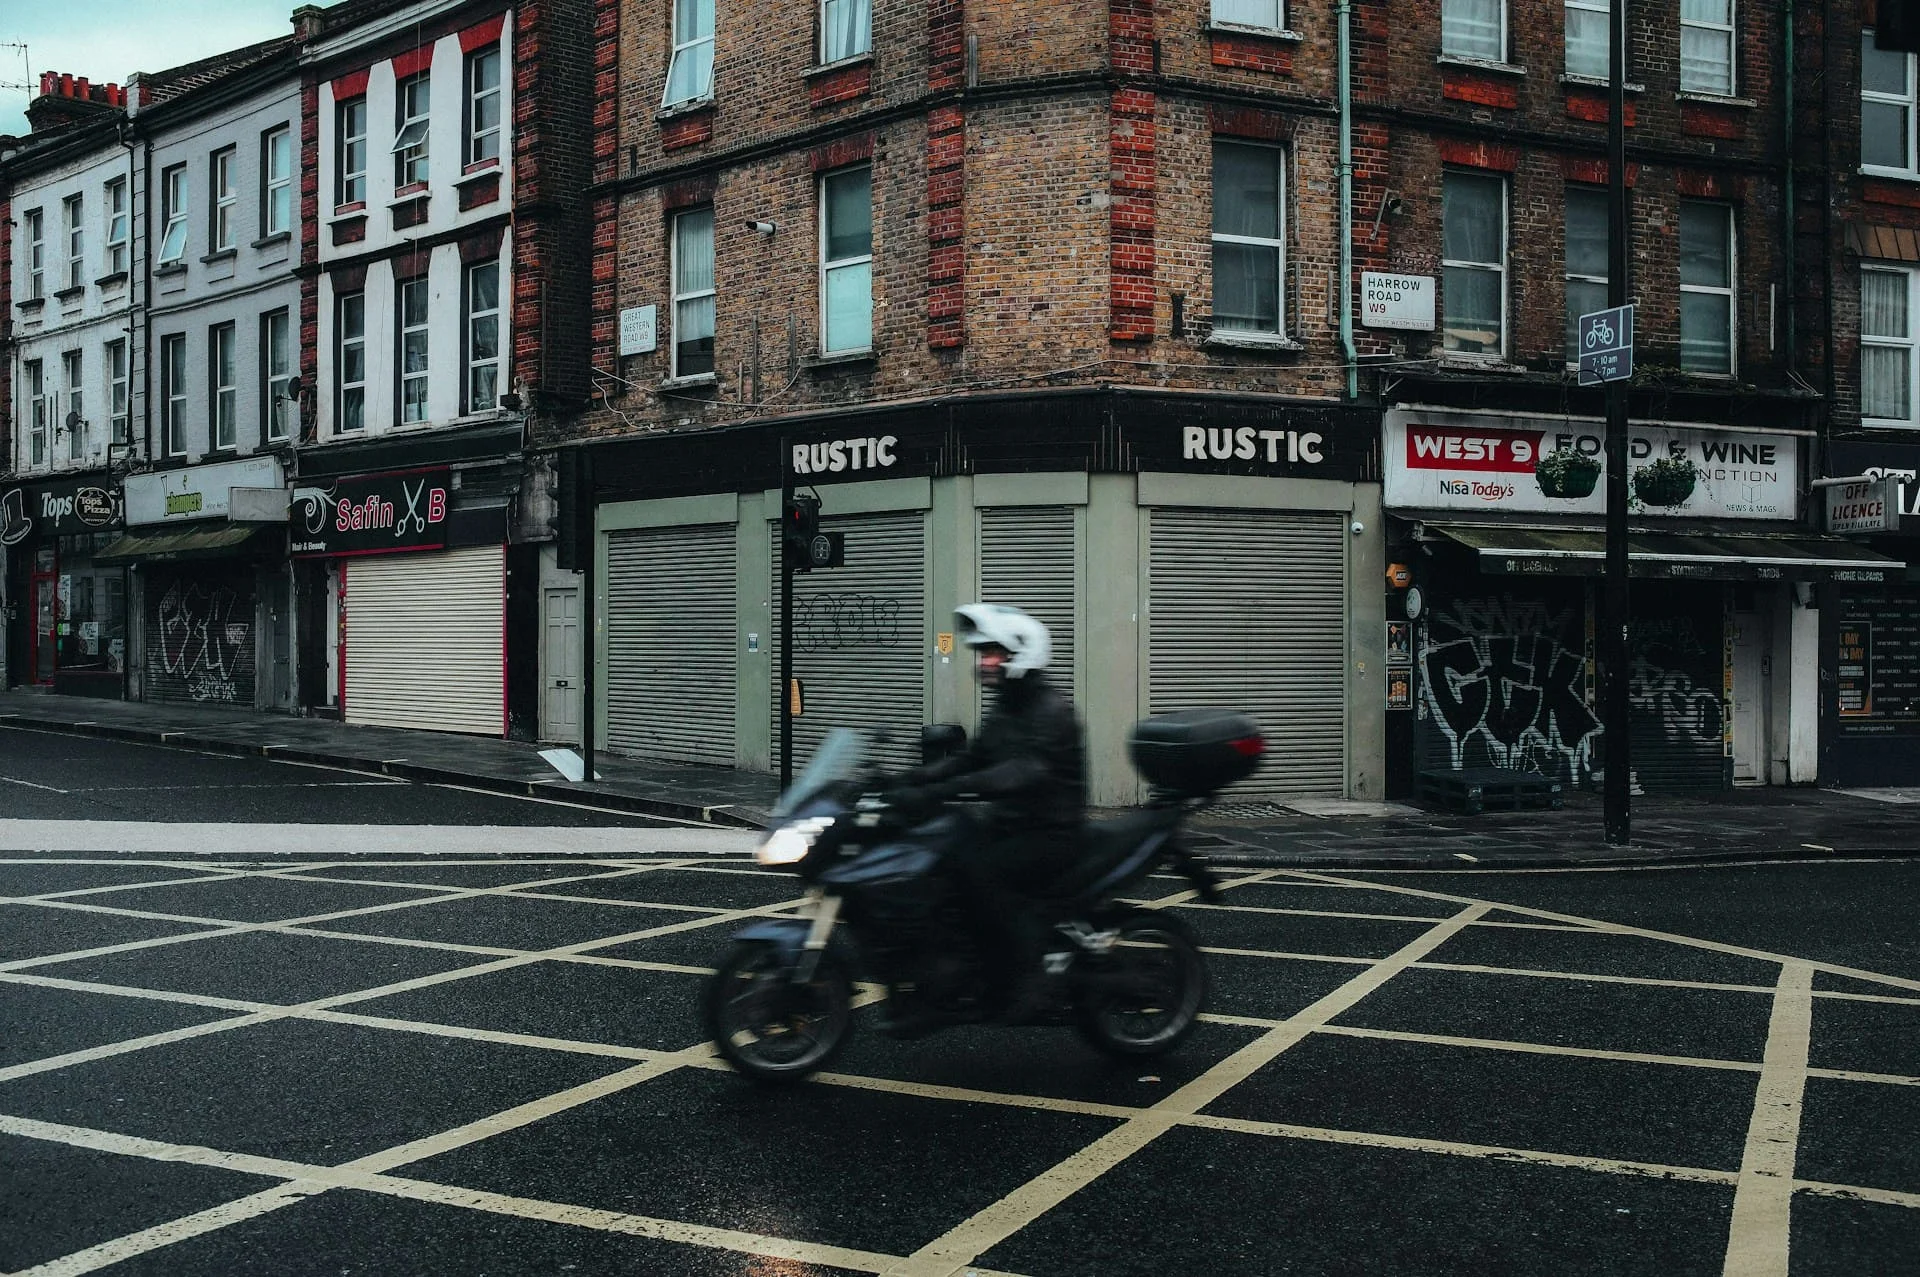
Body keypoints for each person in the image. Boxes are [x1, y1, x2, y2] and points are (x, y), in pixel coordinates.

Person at [882, 603, 1087, 1032]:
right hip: (1010, 824)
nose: (984, 661)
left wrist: (944, 790)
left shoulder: (1051, 711)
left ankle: (1031, 982)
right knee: (940, 862)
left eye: (994, 652)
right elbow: (970, 759)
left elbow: (1022, 771)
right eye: (983, 653)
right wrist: (907, 780)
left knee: (985, 877)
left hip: (1050, 833)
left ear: (1022, 654)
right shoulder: (1005, 708)